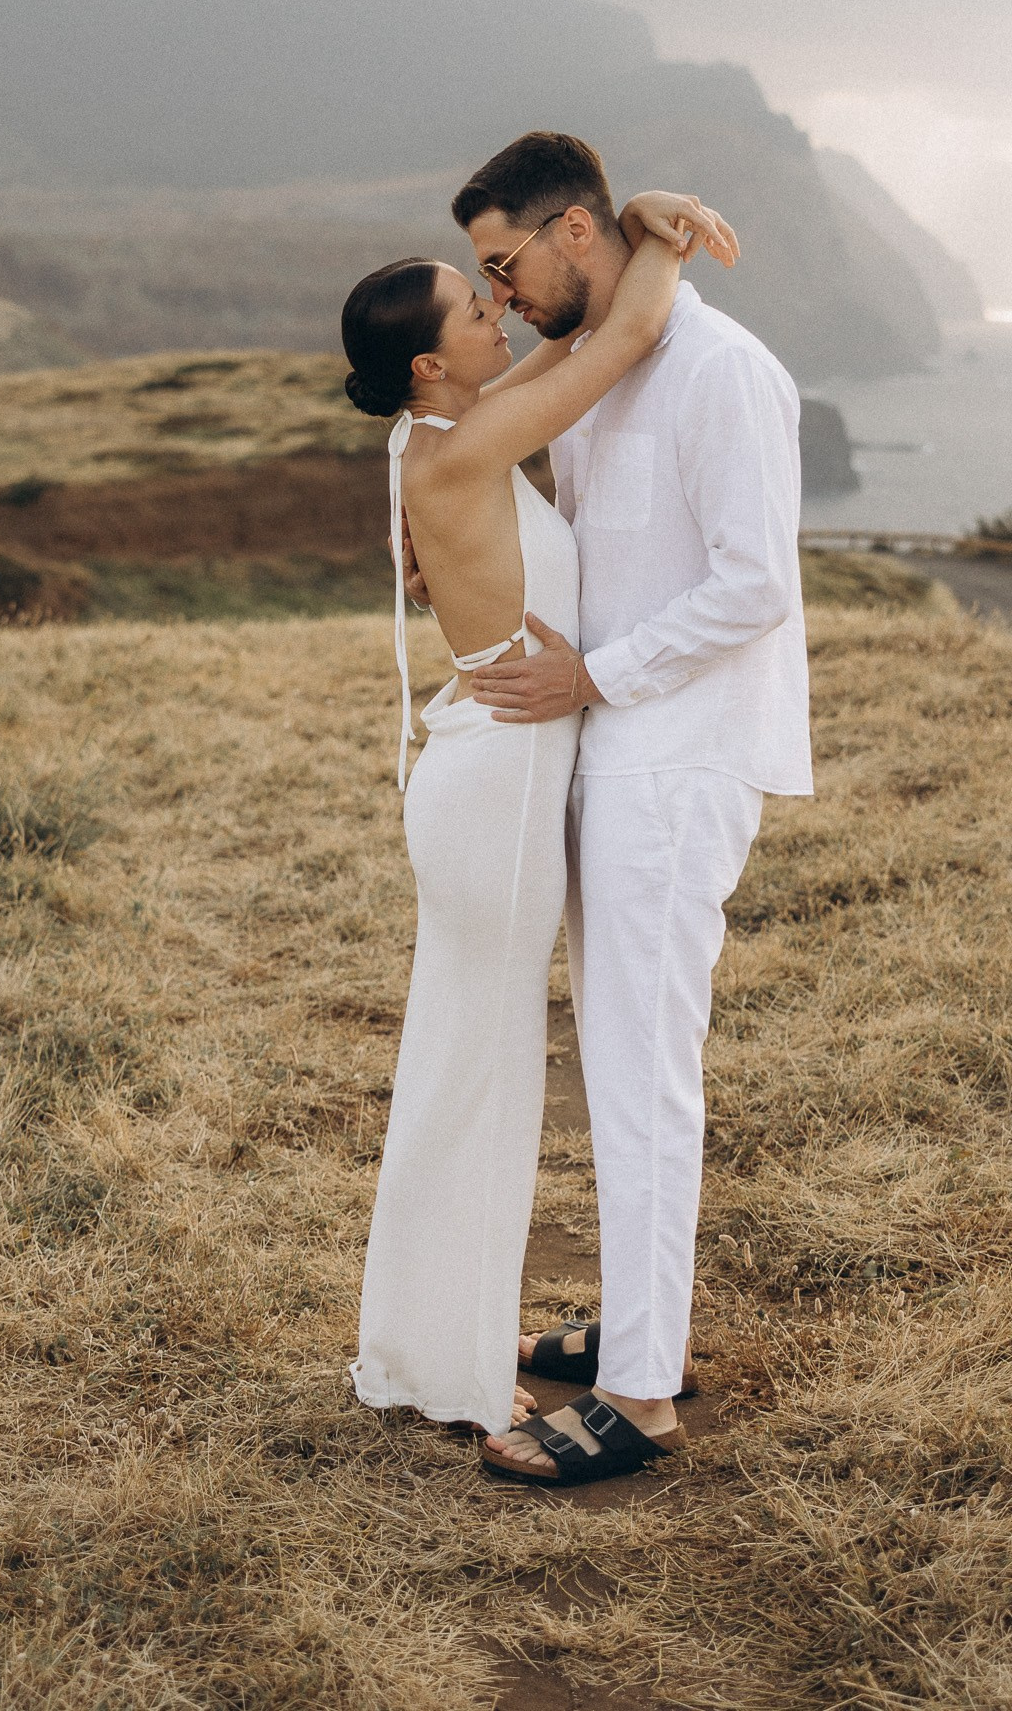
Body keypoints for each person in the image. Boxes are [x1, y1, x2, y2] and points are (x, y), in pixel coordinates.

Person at [437, 130, 811, 1489]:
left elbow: (753, 582)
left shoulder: (723, 373)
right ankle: (640, 1333)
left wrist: (599, 672)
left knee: (647, 1075)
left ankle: (642, 1401)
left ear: (574, 234)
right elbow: (603, 558)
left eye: (507, 263)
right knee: (617, 1065)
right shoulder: (603, 379)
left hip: (681, 759)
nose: (504, 295)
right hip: (616, 757)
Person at [341, 185, 734, 1453]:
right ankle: (450, 1363)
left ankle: (423, 1341)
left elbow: (574, 340)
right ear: (426, 362)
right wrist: (665, 241)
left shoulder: (440, 438)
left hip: (485, 774)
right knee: (483, 1075)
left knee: (463, 1066)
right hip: (496, 788)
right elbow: (614, 344)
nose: (498, 307)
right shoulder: (458, 446)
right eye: (473, 304)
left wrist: (617, 239)